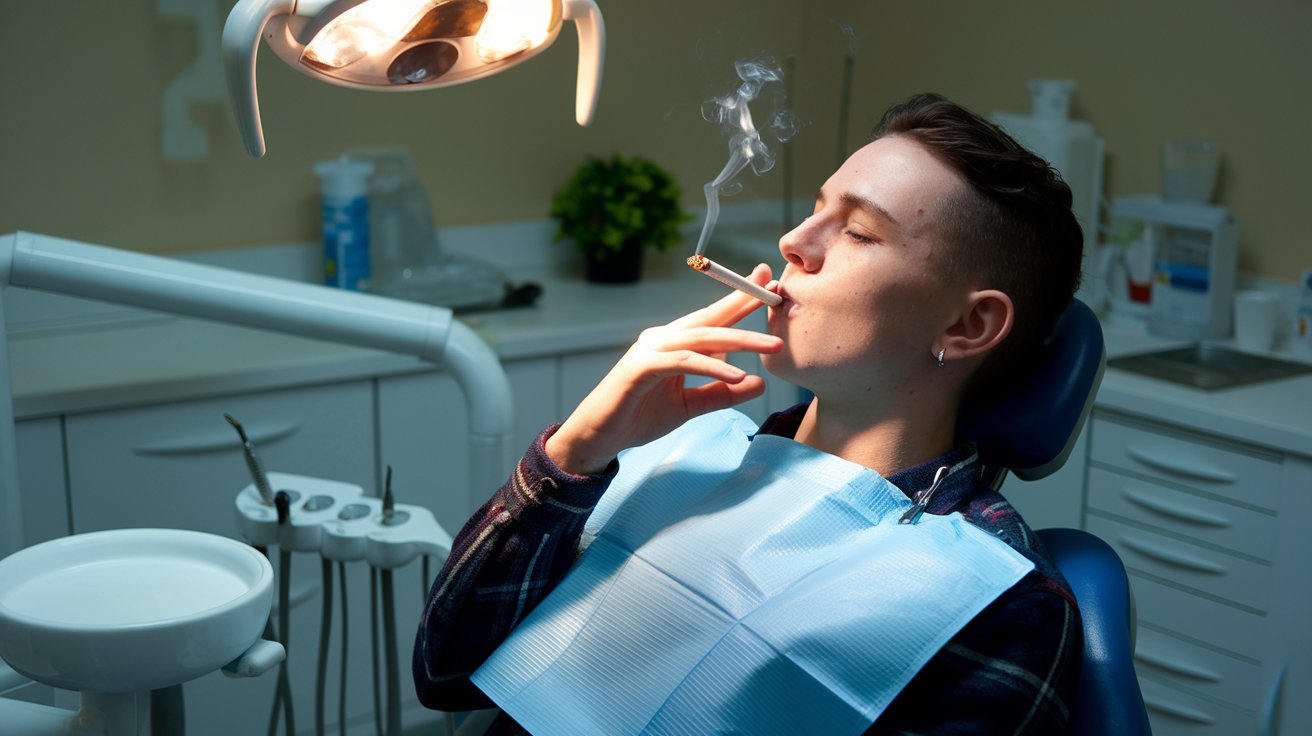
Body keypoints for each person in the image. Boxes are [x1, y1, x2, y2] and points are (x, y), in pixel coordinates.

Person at [413, 92, 1085, 735]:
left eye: (857, 231)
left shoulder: (998, 602)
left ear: (968, 324)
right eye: (815, 210)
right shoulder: (685, 452)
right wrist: (576, 453)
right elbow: (446, 676)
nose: (794, 241)